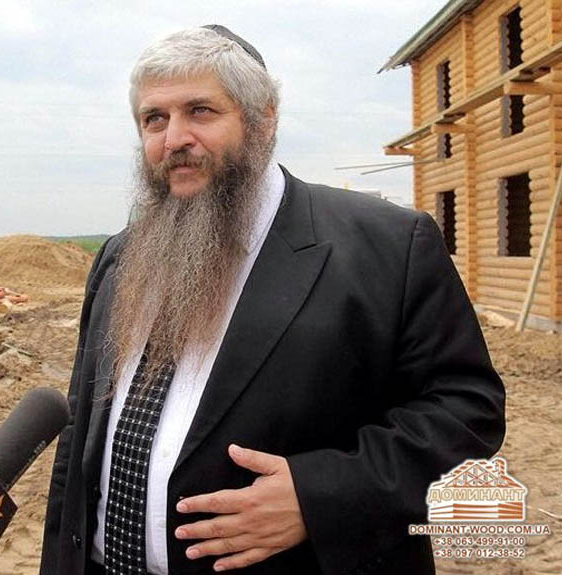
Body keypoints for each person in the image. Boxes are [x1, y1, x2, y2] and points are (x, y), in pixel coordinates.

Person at [40, 25, 505, 575]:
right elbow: (80, 435)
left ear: (263, 119)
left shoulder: (387, 246)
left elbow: (466, 410)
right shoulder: (122, 255)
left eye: (200, 111)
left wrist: (319, 496)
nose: (174, 138)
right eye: (154, 119)